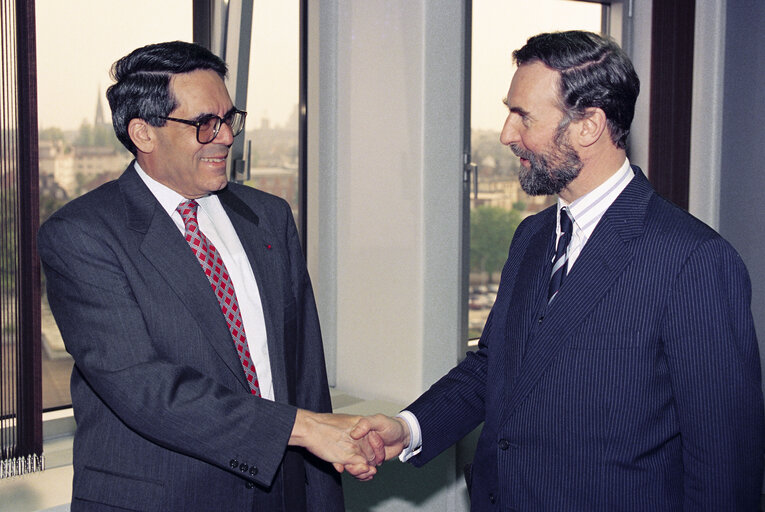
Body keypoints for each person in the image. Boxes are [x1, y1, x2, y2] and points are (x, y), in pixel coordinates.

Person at [351, 30, 765, 510]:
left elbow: (724, 467)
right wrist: (408, 428)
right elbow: (495, 369)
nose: (507, 134)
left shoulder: (693, 261)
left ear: (588, 125)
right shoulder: (531, 238)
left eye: (523, 116)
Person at [38, 41, 378, 511]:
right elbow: (143, 386)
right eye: (204, 124)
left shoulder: (268, 216)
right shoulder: (82, 235)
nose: (224, 136)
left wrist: (321, 492)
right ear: (144, 133)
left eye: (228, 118)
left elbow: (304, 372)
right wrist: (305, 429)